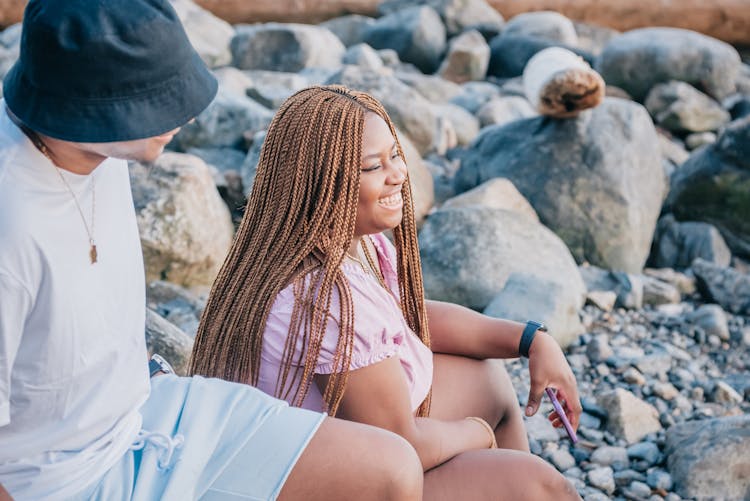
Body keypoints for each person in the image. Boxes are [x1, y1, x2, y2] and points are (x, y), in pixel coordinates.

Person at [0, 2, 425, 500]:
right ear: (92, 107)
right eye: (158, 100)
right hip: (66, 480)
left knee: (391, 467)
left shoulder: (86, 141)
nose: (186, 112)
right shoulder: (13, 226)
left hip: (151, 410)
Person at [190, 85, 584, 500]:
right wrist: (476, 433)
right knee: (541, 485)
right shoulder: (323, 297)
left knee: (489, 383)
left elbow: (406, 317)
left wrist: (530, 340)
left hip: (356, 443)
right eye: (372, 166)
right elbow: (401, 444)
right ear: (322, 181)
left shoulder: (349, 241)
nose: (398, 173)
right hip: (319, 481)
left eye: (395, 155)